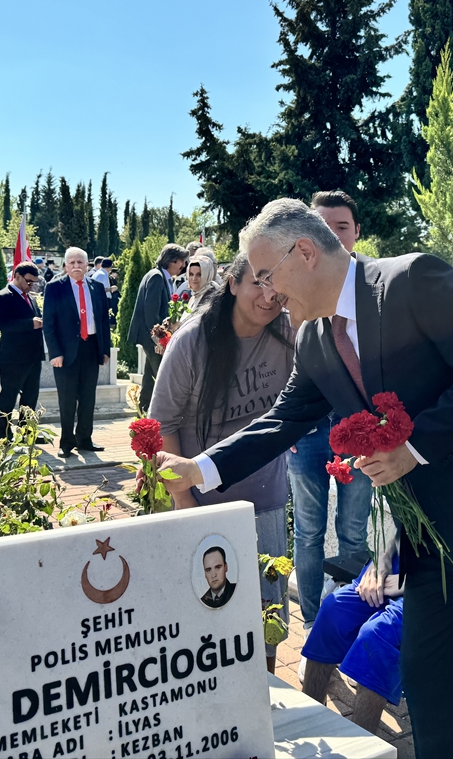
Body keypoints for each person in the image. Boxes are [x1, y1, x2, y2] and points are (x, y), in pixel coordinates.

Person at [156, 199, 453, 755]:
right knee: (434, 693)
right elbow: (285, 419)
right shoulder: (315, 339)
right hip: (431, 548)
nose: (265, 293)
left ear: (306, 253)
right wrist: (201, 468)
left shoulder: (414, 280)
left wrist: (413, 447)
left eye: (267, 275)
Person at [148, 254, 294, 671]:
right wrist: (183, 501)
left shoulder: (285, 331)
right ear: (231, 283)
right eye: (257, 283)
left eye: (277, 285)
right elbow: (162, 425)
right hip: (203, 501)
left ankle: (266, 707)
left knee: (268, 623)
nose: (269, 296)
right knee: (206, 622)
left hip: (264, 499)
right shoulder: (194, 340)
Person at [290, 190, 375, 628]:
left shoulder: (378, 297)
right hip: (305, 437)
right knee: (307, 533)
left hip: (358, 436)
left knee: (353, 533)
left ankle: (347, 623)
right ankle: (311, 624)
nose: (333, 238)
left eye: (341, 228)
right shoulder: (296, 301)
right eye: (321, 229)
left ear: (356, 234)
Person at [302, 539, 403, 735]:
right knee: (333, 610)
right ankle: (309, 724)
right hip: (398, 566)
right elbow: (401, 527)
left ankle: (362, 747)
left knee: (376, 636)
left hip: (438, 582)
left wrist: (413, 580)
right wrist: (380, 559)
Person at [42, 247, 113, 457]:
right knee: (67, 397)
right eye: (71, 263)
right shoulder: (55, 287)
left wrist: (104, 350)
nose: (76, 266)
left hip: (90, 348)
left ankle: (85, 438)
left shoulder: (97, 287)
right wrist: (55, 353)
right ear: (65, 266)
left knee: (88, 396)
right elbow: (49, 323)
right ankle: (66, 442)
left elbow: (102, 321)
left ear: (87, 265)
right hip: (65, 352)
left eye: (80, 262)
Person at [126, 243, 189, 411]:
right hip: (152, 337)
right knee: (161, 377)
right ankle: (161, 415)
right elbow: (151, 313)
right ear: (172, 261)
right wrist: (159, 340)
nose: (183, 266)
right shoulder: (156, 277)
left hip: (153, 336)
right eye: (182, 262)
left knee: (149, 378)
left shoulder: (160, 276)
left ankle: (144, 411)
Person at [0, 262, 45, 440]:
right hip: (13, 357)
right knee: (9, 396)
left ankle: (27, 432)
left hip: (33, 355)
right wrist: (31, 324)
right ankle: (4, 434)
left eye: (34, 283)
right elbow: (3, 324)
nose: (31, 286)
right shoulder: (2, 296)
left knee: (30, 398)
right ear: (18, 276)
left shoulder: (30, 297)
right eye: (29, 282)